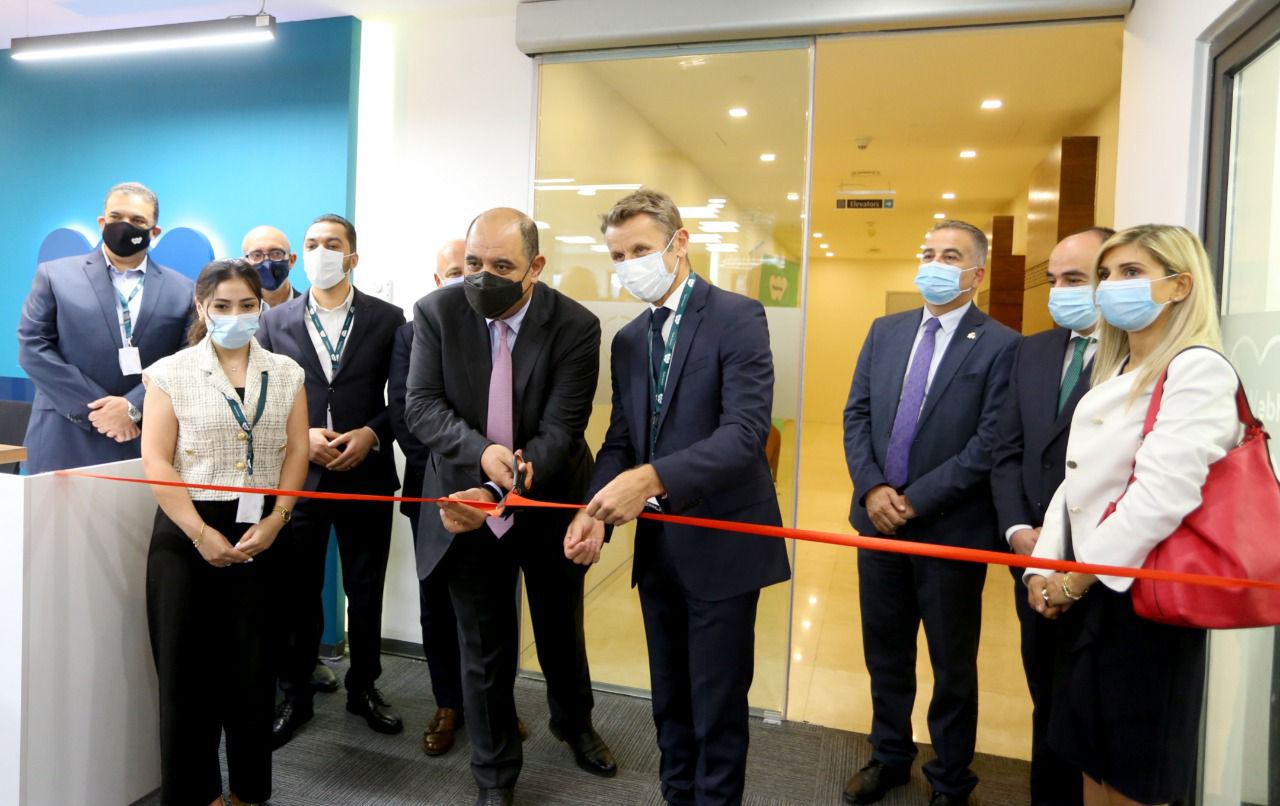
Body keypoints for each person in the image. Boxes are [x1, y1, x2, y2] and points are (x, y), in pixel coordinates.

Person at [565, 188, 791, 806]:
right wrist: (595, 511)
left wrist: (652, 478)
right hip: (660, 549)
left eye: (640, 249)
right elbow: (620, 441)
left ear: (679, 242)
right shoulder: (630, 340)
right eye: (618, 255)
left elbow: (744, 434)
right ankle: (676, 793)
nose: (629, 265)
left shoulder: (737, 317)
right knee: (669, 698)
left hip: (723, 544)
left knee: (716, 704)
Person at [1024, 225, 1241, 806]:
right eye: (1106, 274)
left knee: (1130, 777)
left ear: (1180, 286)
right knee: (1090, 766)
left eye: (1131, 272)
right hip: (1092, 596)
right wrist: (1043, 567)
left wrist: (1075, 580)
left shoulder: (1197, 369)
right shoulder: (1117, 369)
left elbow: (1159, 497)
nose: (1110, 286)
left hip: (1142, 605)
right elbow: (1077, 482)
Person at [405, 208, 614, 806]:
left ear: (535, 267)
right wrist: (480, 455)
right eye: (474, 263)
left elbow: (563, 430)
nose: (482, 277)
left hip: (548, 499)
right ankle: (495, 775)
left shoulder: (575, 324)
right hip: (465, 504)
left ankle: (573, 723)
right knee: (483, 646)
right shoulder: (436, 312)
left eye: (501, 266)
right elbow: (421, 405)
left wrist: (506, 486)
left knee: (559, 628)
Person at [842, 220, 1019, 806]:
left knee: (952, 664)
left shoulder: (1001, 345)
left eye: (950, 256)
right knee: (885, 652)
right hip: (878, 525)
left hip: (950, 530)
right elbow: (857, 415)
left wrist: (915, 499)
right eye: (928, 253)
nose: (935, 264)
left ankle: (951, 777)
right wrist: (873, 489)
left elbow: (989, 442)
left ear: (977, 274)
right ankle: (889, 756)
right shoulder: (886, 331)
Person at [141, 259, 308, 806]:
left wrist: (278, 518)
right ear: (201, 308)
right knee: (186, 677)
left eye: (246, 305)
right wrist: (198, 533)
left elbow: (297, 450)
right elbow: (157, 461)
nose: (235, 315)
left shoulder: (286, 372)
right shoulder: (170, 373)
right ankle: (196, 794)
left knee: (253, 672)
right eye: (222, 306)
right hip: (187, 531)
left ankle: (248, 792)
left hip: (262, 531)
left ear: (261, 307)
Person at [256, 213, 406, 746]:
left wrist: (371, 433)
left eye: (333, 244)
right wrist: (300, 437)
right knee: (298, 591)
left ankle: (364, 687)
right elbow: (263, 398)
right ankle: (295, 693)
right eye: (313, 243)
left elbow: (403, 399)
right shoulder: (273, 323)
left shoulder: (389, 319)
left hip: (366, 474)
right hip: (301, 475)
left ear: (352, 257)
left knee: (365, 590)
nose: (322, 252)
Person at [989, 227, 1112, 806]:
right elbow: (1007, 450)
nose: (1060, 291)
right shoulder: (1031, 350)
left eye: (1075, 279)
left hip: (1101, 570)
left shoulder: (1141, 357)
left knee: (1093, 713)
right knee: (1046, 697)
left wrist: (1067, 556)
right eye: (1055, 280)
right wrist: (1019, 532)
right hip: (1031, 561)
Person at [18, 182, 193, 473]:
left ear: (154, 232)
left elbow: (187, 360)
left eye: (137, 220)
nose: (125, 226)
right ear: (102, 222)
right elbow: (32, 348)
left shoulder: (184, 290)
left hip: (146, 440)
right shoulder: (54, 276)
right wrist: (99, 411)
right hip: (65, 437)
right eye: (116, 217)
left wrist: (133, 406)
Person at [386, 238, 469, 756]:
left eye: (472, 268)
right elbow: (404, 412)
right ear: (438, 280)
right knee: (436, 602)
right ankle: (448, 703)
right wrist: (446, 475)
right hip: (430, 489)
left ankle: (493, 703)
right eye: (455, 270)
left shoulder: (504, 330)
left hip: (494, 493)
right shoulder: (411, 332)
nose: (464, 278)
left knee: (492, 603)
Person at [242, 225, 301, 310]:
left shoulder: (310, 309)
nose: (267, 264)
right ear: (244, 264)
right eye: (257, 255)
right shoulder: (235, 313)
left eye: (276, 253)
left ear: (291, 260)